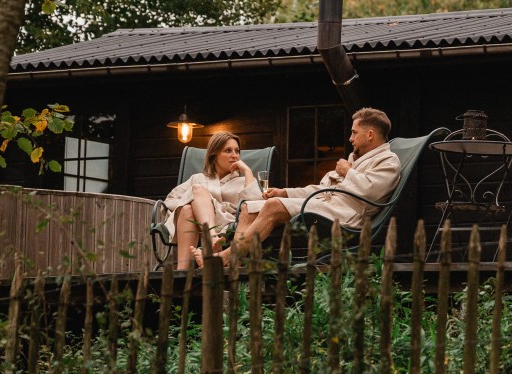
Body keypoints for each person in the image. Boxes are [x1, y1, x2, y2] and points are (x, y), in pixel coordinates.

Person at [233, 107, 399, 252]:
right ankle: (236, 259)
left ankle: (229, 258)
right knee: (249, 208)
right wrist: (285, 192)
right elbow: (322, 189)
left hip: (347, 215)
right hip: (327, 205)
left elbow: (370, 192)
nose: (350, 138)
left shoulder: (388, 160)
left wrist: (348, 171)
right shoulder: (356, 159)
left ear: (370, 135)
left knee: (273, 205)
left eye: (354, 132)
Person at [161, 131, 261, 274]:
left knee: (192, 198)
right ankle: (185, 269)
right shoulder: (198, 179)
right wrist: (200, 203)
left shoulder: (243, 181)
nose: (235, 155)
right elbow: (169, 201)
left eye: (237, 151)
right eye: (228, 150)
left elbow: (257, 206)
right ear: (214, 157)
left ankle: (182, 272)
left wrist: (248, 171)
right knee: (188, 207)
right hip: (196, 224)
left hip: (228, 224)